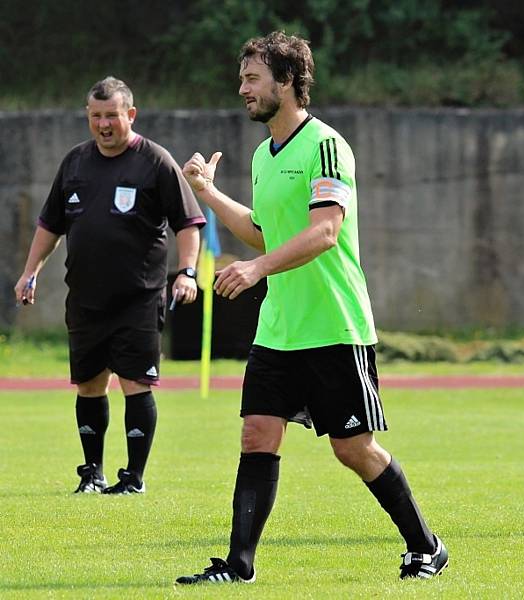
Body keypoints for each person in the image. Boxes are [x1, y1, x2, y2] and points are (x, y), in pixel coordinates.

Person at [174, 32, 448, 585]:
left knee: (353, 448)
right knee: (256, 435)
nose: (243, 88)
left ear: (287, 81)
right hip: (280, 328)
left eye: (253, 78)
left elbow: (324, 233)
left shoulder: (326, 145)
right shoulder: (260, 154)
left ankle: (427, 547)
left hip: (333, 323)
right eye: (243, 77)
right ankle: (238, 566)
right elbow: (262, 232)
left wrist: (256, 270)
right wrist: (208, 193)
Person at [14, 76, 205, 495]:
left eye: (112, 116)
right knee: (89, 384)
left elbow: (188, 224)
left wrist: (187, 272)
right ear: (88, 116)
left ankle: (133, 478)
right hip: (84, 298)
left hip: (139, 298)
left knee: (136, 382)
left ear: (130, 115)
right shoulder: (75, 163)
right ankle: (92, 473)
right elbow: (50, 225)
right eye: (96, 116)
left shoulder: (155, 161)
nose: (104, 125)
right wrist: (31, 271)